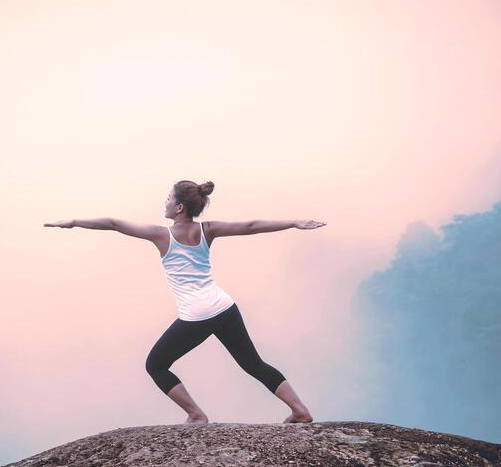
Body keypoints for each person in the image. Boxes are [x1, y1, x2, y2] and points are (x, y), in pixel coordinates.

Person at [45, 179, 323, 424]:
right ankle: (300, 410)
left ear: (179, 208)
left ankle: (196, 414)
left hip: (197, 315)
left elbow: (115, 224)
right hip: (224, 307)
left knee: (155, 365)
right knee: (253, 363)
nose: (165, 202)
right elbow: (251, 227)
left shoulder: (161, 235)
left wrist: (73, 223)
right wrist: (293, 223)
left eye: (168, 198)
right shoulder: (208, 229)